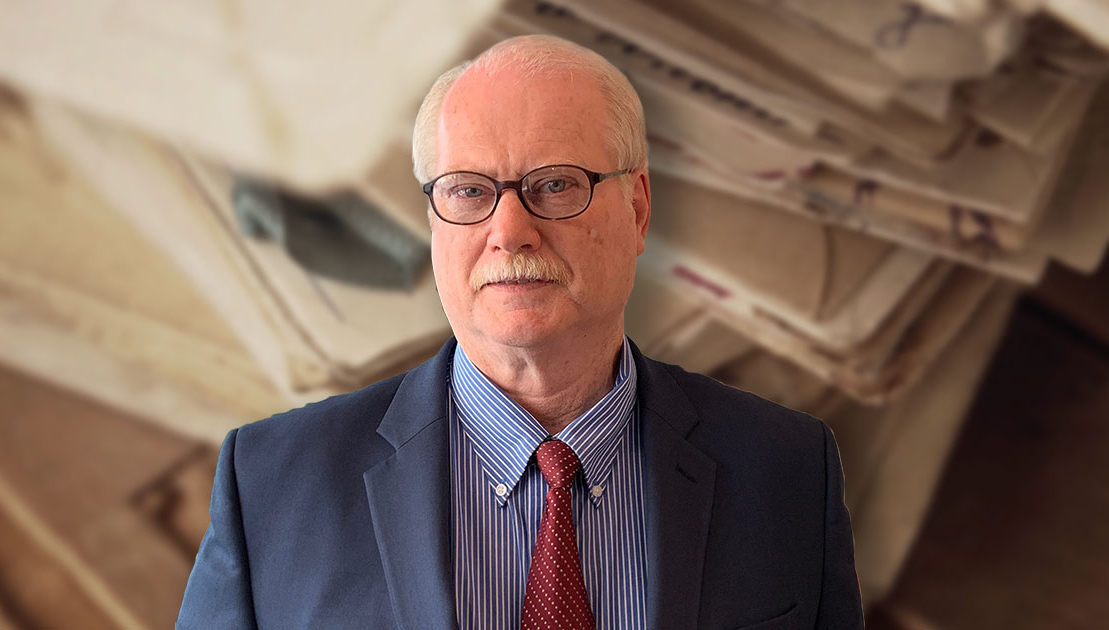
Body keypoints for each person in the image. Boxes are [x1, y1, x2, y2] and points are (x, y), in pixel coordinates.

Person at [177, 34, 863, 629]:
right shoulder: (269, 484)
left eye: (556, 185)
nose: (508, 231)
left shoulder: (789, 469)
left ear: (639, 209)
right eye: (469, 191)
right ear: (433, 222)